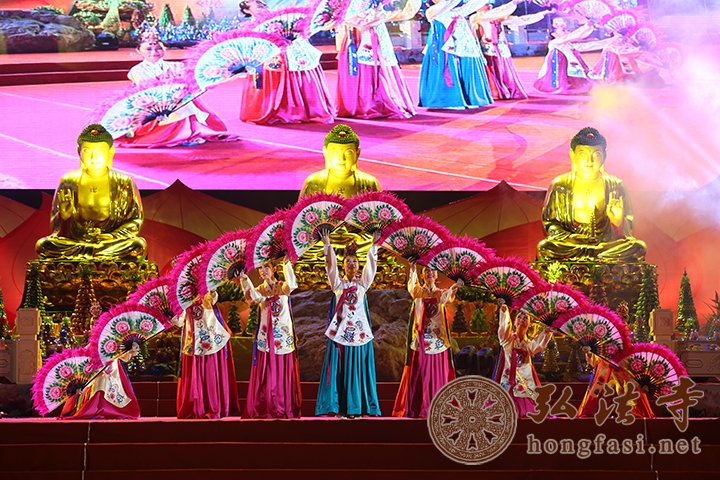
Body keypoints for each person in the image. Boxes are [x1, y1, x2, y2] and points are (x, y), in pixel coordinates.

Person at [35, 124, 147, 261]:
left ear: (111, 152)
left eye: (100, 151)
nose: (94, 157)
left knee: (137, 246)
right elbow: (58, 231)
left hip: (109, 243)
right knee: (44, 245)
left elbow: (135, 221)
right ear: (79, 151)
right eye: (87, 151)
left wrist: (110, 236)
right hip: (77, 242)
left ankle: (90, 254)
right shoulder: (68, 181)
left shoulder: (124, 182)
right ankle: (96, 255)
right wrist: (65, 217)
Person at [536, 127, 647, 262]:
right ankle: (598, 257)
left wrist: (617, 221)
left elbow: (627, 232)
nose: (590, 161)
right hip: (573, 244)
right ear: (572, 154)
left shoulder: (616, 185)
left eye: (596, 154)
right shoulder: (560, 185)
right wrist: (573, 238)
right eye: (583, 154)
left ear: (604, 155)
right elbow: (550, 224)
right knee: (545, 247)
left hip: (605, 245)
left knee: (638, 247)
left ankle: (597, 255)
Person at [116, 31, 234, 148]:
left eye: (158, 48)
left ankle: (191, 133)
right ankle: (180, 135)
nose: (154, 52)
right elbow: (147, 90)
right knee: (179, 107)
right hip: (153, 103)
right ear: (138, 50)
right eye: (148, 49)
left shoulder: (176, 66)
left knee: (187, 103)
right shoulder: (137, 70)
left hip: (178, 99)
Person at [315, 231, 382, 418]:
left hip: (359, 335)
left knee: (357, 371)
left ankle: (357, 407)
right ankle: (340, 407)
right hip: (341, 334)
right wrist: (327, 245)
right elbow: (330, 267)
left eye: (355, 262)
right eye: (348, 262)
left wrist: (374, 246)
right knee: (341, 371)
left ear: (358, 266)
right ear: (343, 266)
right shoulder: (338, 285)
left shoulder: (362, 286)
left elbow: (371, 267)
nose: (351, 264)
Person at [238, 0, 336, 124]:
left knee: (302, 71)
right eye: (257, 6)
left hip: (294, 49)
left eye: (262, 5)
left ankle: (304, 109)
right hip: (269, 55)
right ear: (247, 10)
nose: (262, 8)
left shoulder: (279, 19)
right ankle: (275, 110)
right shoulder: (250, 27)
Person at [234, 259, 302, 418]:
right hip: (266, 338)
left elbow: (292, 285)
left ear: (274, 269)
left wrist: (286, 264)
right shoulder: (260, 290)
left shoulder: (283, 286)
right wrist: (244, 278)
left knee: (283, 374)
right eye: (260, 268)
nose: (263, 270)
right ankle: (267, 406)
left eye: (266, 267)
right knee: (267, 373)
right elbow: (253, 297)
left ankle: (284, 406)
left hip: (283, 338)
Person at [392, 264, 462, 418]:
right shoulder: (418, 292)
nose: (430, 273)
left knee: (438, 374)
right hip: (421, 340)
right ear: (422, 275)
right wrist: (412, 268)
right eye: (426, 271)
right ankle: (418, 406)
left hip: (438, 341)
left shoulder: (441, 294)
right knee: (420, 373)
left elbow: (448, 297)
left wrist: (456, 286)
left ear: (437, 275)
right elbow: (412, 285)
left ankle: (439, 406)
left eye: (432, 271)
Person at [335, 0, 419, 119]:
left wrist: (374, 16)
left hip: (372, 30)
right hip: (356, 32)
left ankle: (374, 103)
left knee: (375, 62)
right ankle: (355, 105)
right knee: (355, 63)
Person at [174, 290, 240, 419]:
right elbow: (180, 321)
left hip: (211, 340)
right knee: (195, 375)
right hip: (193, 341)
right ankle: (195, 408)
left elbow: (213, 298)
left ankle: (213, 407)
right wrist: (173, 318)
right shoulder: (183, 296)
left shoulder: (207, 292)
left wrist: (212, 289)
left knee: (211, 374)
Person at [418, 0, 494, 109]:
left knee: (467, 67)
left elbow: (475, 3)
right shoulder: (432, 11)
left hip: (461, 44)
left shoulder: (458, 11)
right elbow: (447, 3)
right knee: (448, 69)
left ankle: (469, 98)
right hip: (443, 46)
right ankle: (448, 101)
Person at [471, 0, 551, 100]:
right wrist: (513, 3)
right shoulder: (477, 17)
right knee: (491, 71)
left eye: (489, 4)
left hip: (500, 49)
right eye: (485, 4)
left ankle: (506, 90)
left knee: (505, 71)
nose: (489, 5)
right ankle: (494, 92)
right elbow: (492, 15)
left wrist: (542, 14)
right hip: (487, 50)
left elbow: (521, 20)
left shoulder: (499, 17)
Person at [495, 299, 553, 417]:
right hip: (508, 376)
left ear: (529, 324)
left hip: (525, 378)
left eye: (526, 318)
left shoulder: (528, 345)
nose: (522, 320)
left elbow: (539, 344)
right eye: (519, 317)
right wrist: (504, 310)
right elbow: (503, 328)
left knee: (531, 407)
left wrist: (548, 331)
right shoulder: (507, 340)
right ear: (514, 322)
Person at [60, 341, 141, 420]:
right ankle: (97, 409)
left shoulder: (116, 343)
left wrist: (132, 348)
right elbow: (85, 362)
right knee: (99, 385)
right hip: (97, 373)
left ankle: (107, 409)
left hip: (112, 373)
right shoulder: (92, 345)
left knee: (110, 388)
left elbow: (125, 357)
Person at [300, 124, 381, 198]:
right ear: (325, 152)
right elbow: (302, 209)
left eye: (348, 153)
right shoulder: (313, 182)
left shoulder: (369, 183)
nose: (341, 158)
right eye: (335, 153)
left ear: (357, 153)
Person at [578, 347, 655, 419]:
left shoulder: (626, 347)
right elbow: (595, 360)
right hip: (605, 372)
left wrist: (640, 384)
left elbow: (631, 365)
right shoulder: (602, 344)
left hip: (623, 372)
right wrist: (589, 352)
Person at [534, 17, 594, 94]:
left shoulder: (568, 44)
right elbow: (573, 36)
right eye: (563, 31)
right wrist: (587, 26)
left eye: (565, 31)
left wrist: (607, 42)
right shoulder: (554, 43)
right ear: (553, 34)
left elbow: (587, 45)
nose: (566, 32)